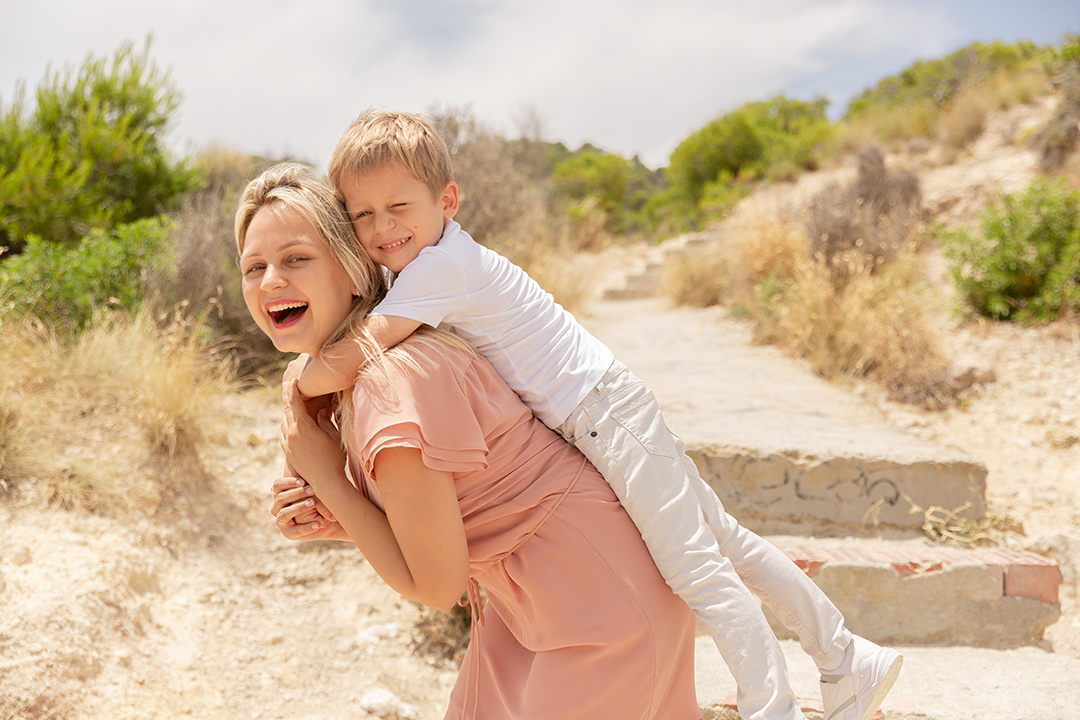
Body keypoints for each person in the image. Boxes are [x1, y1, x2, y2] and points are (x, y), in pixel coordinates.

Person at [286, 109, 903, 720]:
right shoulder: (426, 269)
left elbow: (355, 354)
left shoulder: (440, 267)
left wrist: (295, 386)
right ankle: (847, 656)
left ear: (447, 199)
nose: (382, 227)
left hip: (604, 414)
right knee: (724, 540)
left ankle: (774, 710)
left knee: (698, 568)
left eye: (399, 208)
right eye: (362, 215)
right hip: (603, 410)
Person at [238, 163, 702, 720]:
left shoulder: (391, 380)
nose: (270, 282)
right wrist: (340, 520)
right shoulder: (363, 375)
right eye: (253, 267)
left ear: (357, 271)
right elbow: (453, 527)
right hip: (523, 607)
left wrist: (332, 481)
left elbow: (436, 586)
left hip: (600, 605)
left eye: (296, 259)